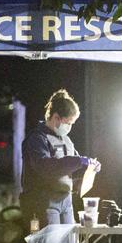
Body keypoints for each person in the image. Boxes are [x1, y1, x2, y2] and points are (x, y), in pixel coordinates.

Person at [20, 89, 100, 229]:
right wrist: (79, 161)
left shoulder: (66, 140)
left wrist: (88, 169)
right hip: (43, 202)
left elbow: (70, 169)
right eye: (68, 123)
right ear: (56, 117)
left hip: (65, 201)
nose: (69, 127)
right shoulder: (37, 139)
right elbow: (46, 167)